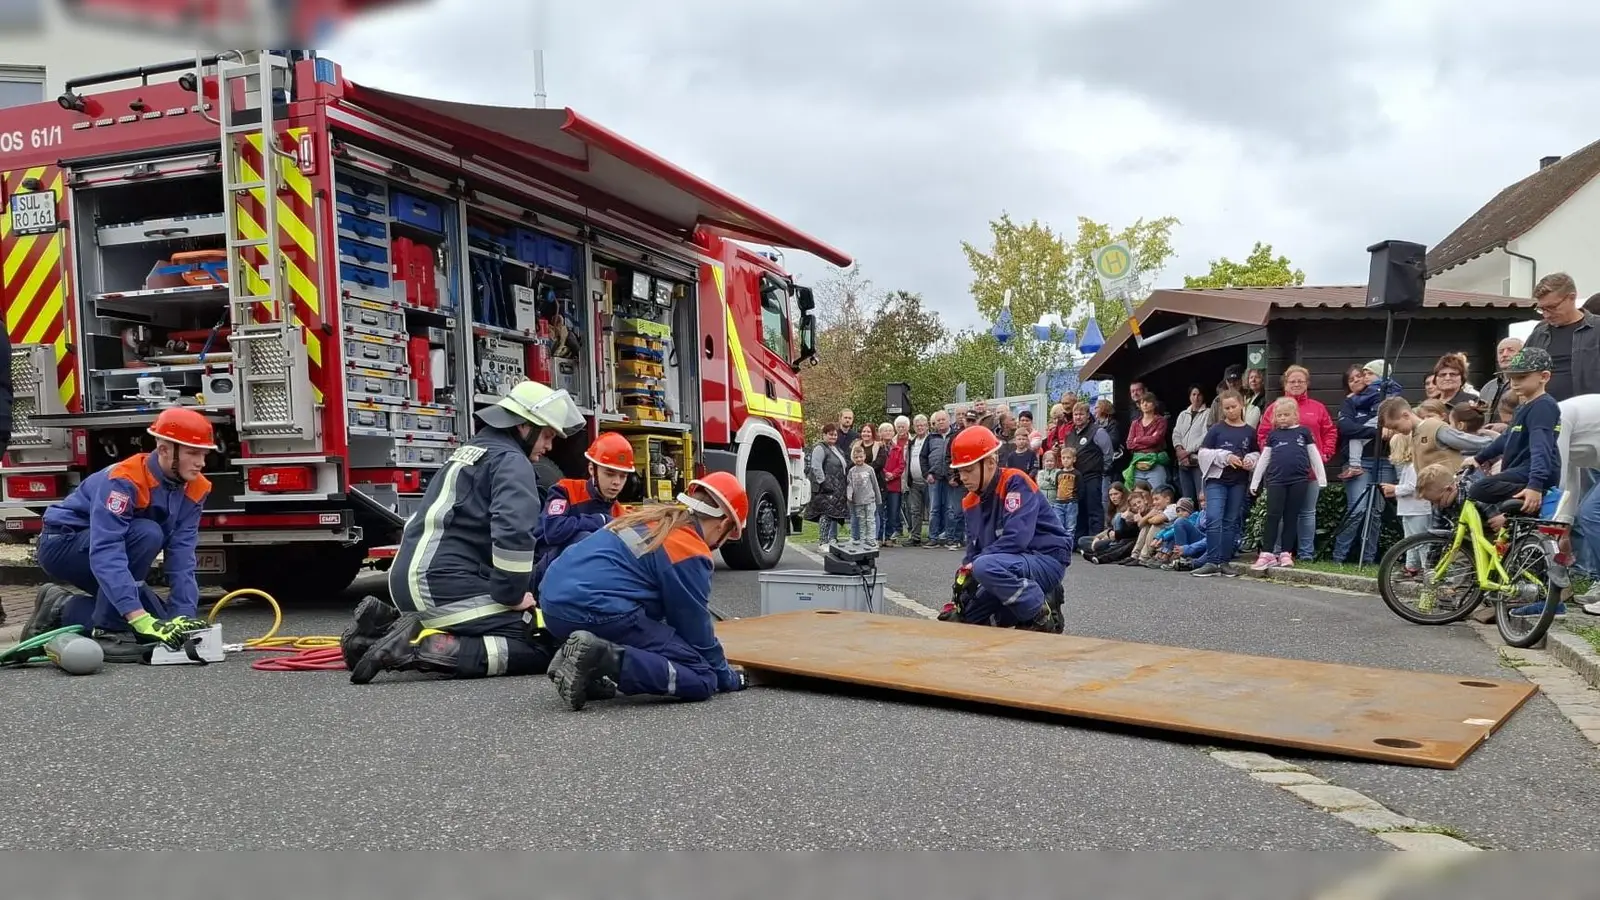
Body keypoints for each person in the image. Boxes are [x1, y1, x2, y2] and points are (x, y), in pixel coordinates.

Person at [343, 380, 586, 684]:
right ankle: (419, 649)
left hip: (411, 580)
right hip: (441, 587)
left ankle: (375, 636)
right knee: (543, 640)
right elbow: (513, 534)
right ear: (524, 425)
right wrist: (511, 595)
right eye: (548, 435)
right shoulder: (512, 463)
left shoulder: (476, 448)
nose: (549, 446)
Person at [538, 471, 750, 710]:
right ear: (724, 525)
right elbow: (695, 632)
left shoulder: (649, 518)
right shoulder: (688, 547)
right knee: (702, 677)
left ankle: (584, 664)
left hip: (553, 607)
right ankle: (602, 657)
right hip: (593, 610)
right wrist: (728, 677)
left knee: (652, 627)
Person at [20, 407, 216, 656]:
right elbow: (107, 549)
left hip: (110, 550)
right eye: (193, 453)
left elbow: (182, 556)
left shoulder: (196, 488)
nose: (201, 463)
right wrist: (135, 615)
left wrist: (182, 618)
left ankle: (60, 606)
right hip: (63, 544)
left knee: (161, 622)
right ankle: (108, 631)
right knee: (147, 534)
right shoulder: (124, 480)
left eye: (204, 454)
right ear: (164, 450)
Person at [943, 426, 1070, 630]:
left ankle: (1040, 610)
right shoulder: (969, 502)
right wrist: (959, 595)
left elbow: (1016, 539)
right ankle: (1018, 610)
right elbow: (973, 553)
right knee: (967, 616)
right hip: (1005, 565)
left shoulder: (1015, 481)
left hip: (1045, 558)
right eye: (960, 471)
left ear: (991, 462)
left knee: (984, 567)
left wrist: (975, 567)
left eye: (968, 470)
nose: (963, 477)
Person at [1464, 347, 1562, 531]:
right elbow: (1506, 439)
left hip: (1534, 472)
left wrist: (1535, 485)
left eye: (1522, 377)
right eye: (1512, 377)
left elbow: (1541, 447)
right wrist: (1478, 458)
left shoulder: (1543, 406)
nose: (1514, 383)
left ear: (1544, 376)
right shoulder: (1524, 406)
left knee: (1479, 488)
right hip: (1521, 471)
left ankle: (1541, 496)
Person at [532, 432, 633, 589]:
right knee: (585, 538)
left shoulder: (619, 513)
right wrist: (600, 521)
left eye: (623, 476)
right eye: (610, 474)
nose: (616, 483)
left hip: (585, 583)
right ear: (592, 469)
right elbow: (553, 532)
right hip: (542, 572)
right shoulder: (565, 490)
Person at [1250, 397, 1329, 570]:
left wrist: (1321, 478)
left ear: (1295, 415)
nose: (1283, 418)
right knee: (1273, 515)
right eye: (1279, 415)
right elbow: (1264, 458)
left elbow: (1314, 455)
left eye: (1286, 415)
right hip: (1276, 480)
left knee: (1291, 516)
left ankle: (1286, 553)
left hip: (1299, 480)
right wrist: (1255, 480)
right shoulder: (1273, 435)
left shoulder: (1304, 432)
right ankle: (1267, 553)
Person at [1190, 390, 1258, 578]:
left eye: (1233, 407)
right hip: (1217, 480)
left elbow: (1256, 452)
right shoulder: (1216, 430)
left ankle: (1224, 561)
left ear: (1241, 405)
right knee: (1213, 517)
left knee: (1230, 521)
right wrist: (1225, 457)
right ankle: (1212, 561)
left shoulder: (1249, 432)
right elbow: (1203, 453)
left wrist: (1250, 460)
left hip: (1238, 481)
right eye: (1226, 408)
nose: (1230, 411)